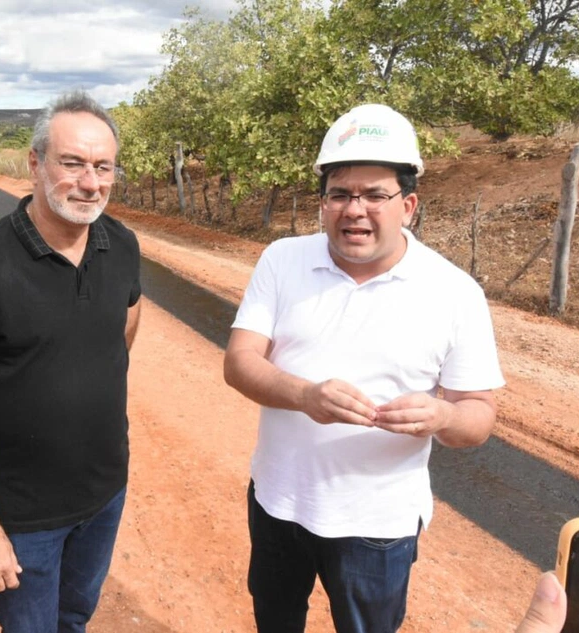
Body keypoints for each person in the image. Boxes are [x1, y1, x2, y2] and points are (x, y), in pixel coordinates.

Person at [223, 103, 505, 633]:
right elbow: (239, 363)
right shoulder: (282, 260)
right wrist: (305, 395)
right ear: (323, 202)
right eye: (340, 193)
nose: (356, 209)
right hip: (278, 502)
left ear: (409, 206)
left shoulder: (454, 293)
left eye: (376, 195)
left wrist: (442, 417)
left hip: (379, 526)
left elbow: (479, 416)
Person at [0, 90, 142, 633]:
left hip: (104, 490)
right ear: (35, 163)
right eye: (72, 163)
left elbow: (128, 318)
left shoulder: (122, 245)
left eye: (103, 167)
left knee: (75, 616)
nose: (90, 183)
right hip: (24, 514)